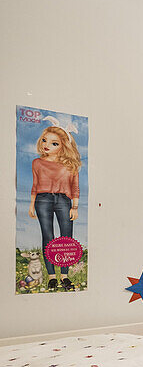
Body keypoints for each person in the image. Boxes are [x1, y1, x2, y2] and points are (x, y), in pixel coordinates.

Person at [28, 118, 80, 290]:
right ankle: (52, 276)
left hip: (64, 201)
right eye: (44, 140)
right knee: (47, 237)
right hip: (42, 200)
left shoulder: (70, 165)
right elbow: (35, 185)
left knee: (66, 238)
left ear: (63, 146)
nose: (46, 145)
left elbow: (75, 187)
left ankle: (64, 276)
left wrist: (75, 206)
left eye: (54, 143)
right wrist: (31, 204)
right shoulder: (37, 162)